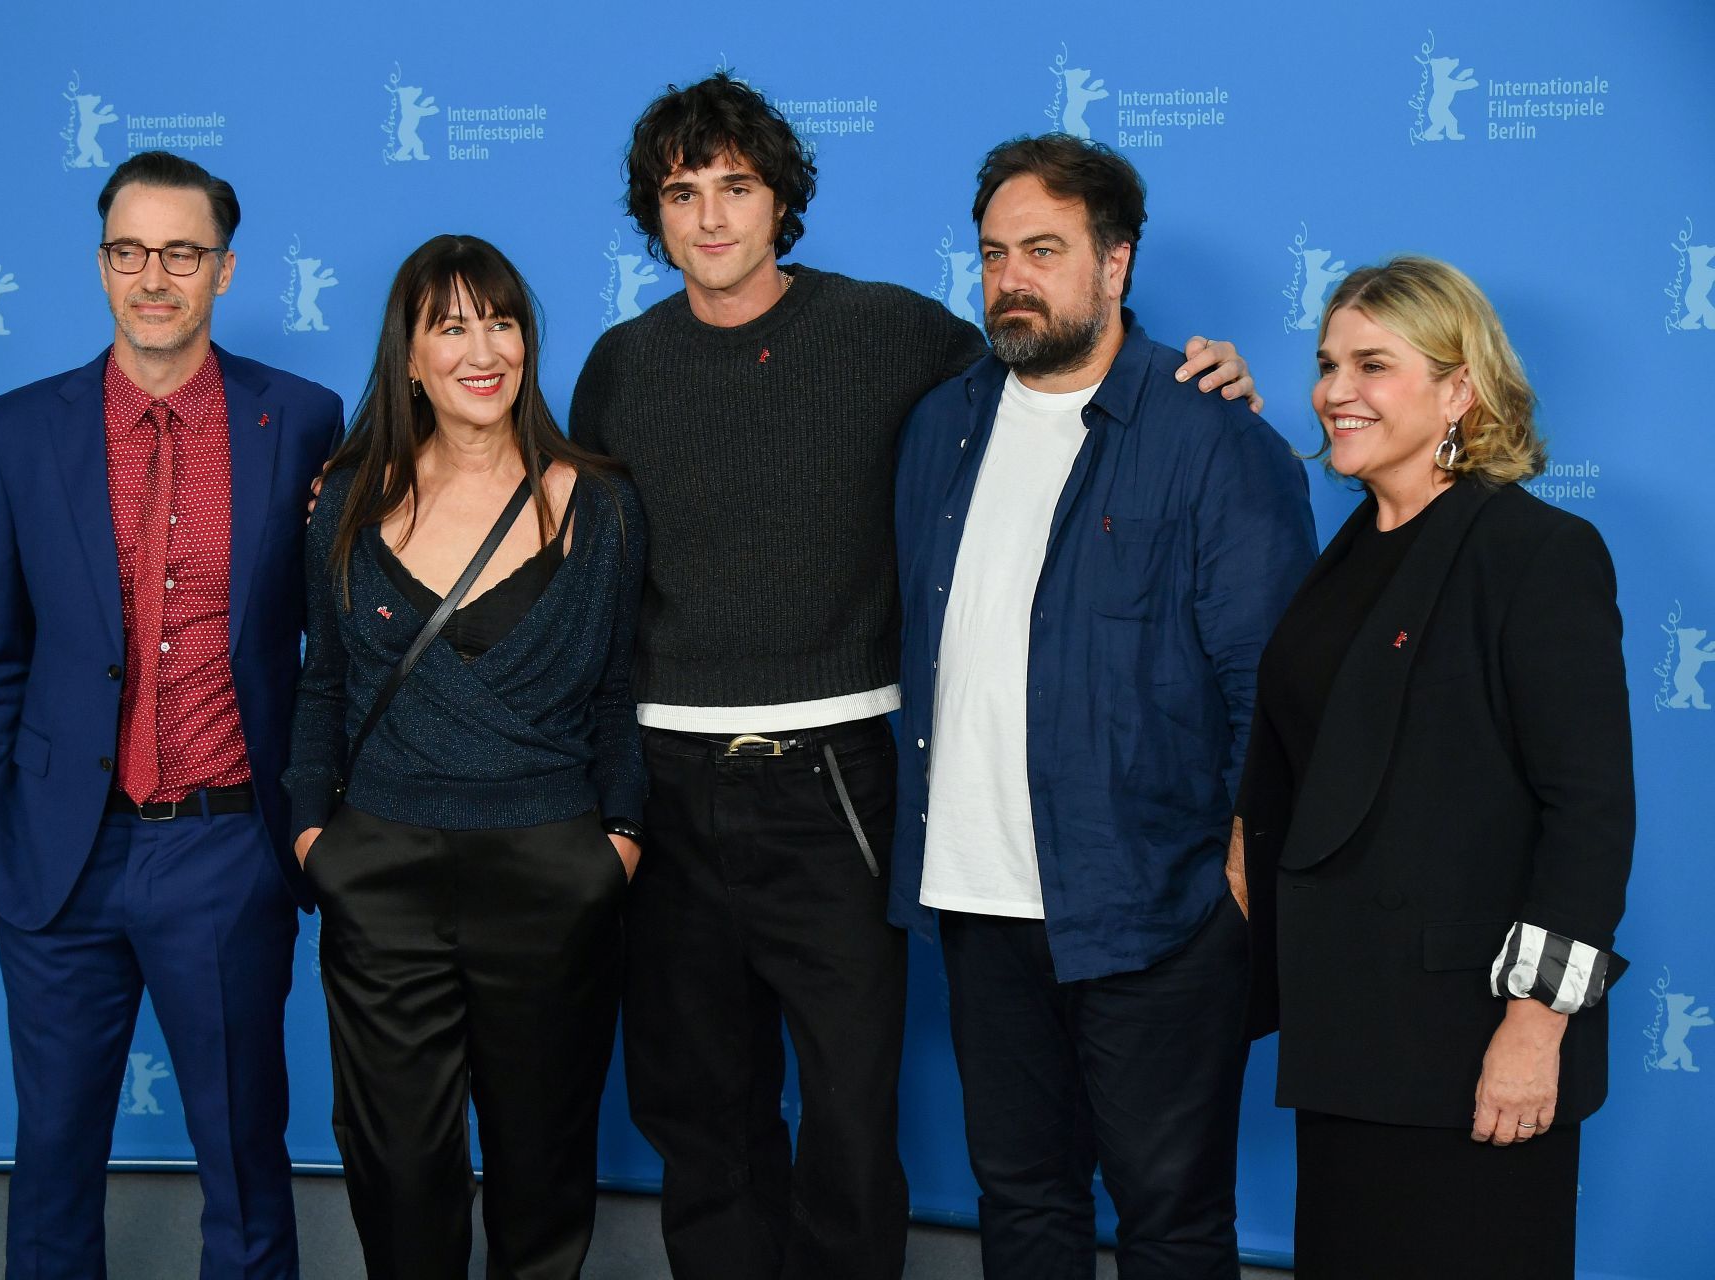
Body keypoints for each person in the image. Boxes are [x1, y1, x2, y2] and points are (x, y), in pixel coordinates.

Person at [569, 74, 1260, 1280]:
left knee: (849, 1117)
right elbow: (550, 526)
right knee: (700, 1112)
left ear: (783, 200)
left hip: (838, 783)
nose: (713, 216)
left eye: (737, 186)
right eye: (684, 193)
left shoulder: (895, 336)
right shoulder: (620, 365)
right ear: (655, 213)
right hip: (670, 783)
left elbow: (1066, 370)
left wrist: (1203, 380)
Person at [892, 133, 1316, 1279]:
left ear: (1116, 263)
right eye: (991, 254)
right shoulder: (942, 425)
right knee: (1022, 1200)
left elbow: (1275, 688)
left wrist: (1237, 870)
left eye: (1044, 249)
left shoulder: (1215, 436)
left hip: (1155, 906)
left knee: (1170, 1217)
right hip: (979, 897)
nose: (1011, 277)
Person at [0, 151, 343, 1279]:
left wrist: (308, 821)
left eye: (181, 251)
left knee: (242, 1156)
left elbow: (335, 643)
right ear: (102, 265)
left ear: (225, 269)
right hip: (58, 853)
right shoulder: (17, 430)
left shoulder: (303, 419)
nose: (153, 275)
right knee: (55, 1155)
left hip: (226, 848)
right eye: (129, 251)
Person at [1228, 256, 1634, 1278]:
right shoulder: (1353, 544)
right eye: (1326, 363)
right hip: (1347, 1033)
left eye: (1374, 363)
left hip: (1473, 1042)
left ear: (1460, 387)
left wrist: (1535, 1027)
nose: (1335, 390)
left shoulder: (1535, 551)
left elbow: (1588, 814)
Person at [283, 234, 646, 1279]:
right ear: (408, 355)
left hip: (551, 868)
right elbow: (322, 683)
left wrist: (615, 840)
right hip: (381, 870)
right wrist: (316, 835)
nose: (482, 348)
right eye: (449, 325)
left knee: (542, 1172)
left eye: (501, 320)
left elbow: (619, 693)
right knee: (397, 1171)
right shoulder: (345, 502)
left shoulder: (602, 503)